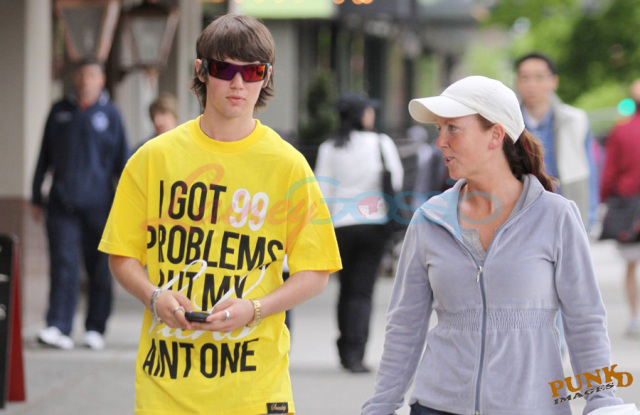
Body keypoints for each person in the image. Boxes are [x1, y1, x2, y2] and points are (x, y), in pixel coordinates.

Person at [98, 14, 341, 415]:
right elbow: (122, 254)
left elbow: (316, 272)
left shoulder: (288, 166)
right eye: (225, 69)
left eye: (253, 71)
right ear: (202, 71)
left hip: (256, 391)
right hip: (165, 390)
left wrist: (256, 308)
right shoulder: (152, 159)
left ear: (267, 77)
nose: (238, 83)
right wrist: (154, 296)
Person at [362, 76, 623, 414]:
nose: (440, 142)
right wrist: (381, 406)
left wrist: (602, 400)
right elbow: (405, 326)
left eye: (453, 129)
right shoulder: (430, 219)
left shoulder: (555, 216)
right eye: (439, 129)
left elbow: (585, 321)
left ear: (496, 135)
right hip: (437, 406)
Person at [31, 58, 129, 351]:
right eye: (82, 75)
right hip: (62, 204)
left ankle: (95, 328)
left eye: (91, 75)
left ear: (101, 80)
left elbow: (123, 163)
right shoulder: (59, 111)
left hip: (100, 205)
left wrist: (127, 206)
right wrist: (36, 196)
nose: (86, 80)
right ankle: (58, 326)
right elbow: (43, 156)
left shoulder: (111, 115)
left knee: (99, 268)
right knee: (63, 265)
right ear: (75, 79)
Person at [314, 92, 403, 373]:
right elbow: (396, 180)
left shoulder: (330, 148)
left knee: (345, 288)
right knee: (362, 291)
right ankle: (356, 353)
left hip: (340, 226)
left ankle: (344, 349)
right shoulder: (381, 143)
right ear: (361, 115)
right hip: (374, 224)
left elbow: (322, 190)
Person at [515, 52, 599, 229]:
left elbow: (589, 168)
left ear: (553, 81)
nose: (532, 84)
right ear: (517, 82)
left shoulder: (575, 120)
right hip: (522, 216)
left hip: (566, 210)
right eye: (525, 78)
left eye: (539, 77)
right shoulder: (509, 125)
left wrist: (589, 215)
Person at [600, 79, 640, 336]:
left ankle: (635, 317)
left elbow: (610, 171)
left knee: (631, 265)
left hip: (628, 205)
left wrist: (605, 198)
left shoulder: (621, 131)